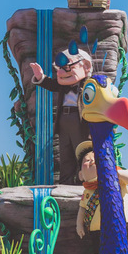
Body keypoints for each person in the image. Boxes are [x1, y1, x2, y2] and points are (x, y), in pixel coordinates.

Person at [75, 140, 128, 254]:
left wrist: (113, 170)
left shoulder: (116, 177)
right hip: (97, 228)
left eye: (95, 158)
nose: (91, 161)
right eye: (86, 161)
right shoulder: (87, 192)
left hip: (126, 221)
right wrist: (79, 225)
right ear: (80, 175)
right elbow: (82, 209)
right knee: (98, 252)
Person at [30, 43, 93, 185]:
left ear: (86, 67)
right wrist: (40, 76)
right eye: (59, 69)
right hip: (64, 120)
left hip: (80, 121)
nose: (61, 73)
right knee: (65, 152)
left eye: (67, 67)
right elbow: (51, 84)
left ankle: (83, 181)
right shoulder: (63, 86)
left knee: (81, 151)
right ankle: (66, 182)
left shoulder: (90, 85)